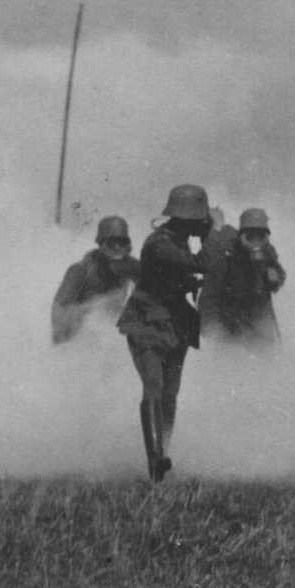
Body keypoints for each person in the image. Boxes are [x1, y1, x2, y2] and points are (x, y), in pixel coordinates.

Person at [116, 184, 213, 482]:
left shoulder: (180, 241)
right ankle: (155, 460)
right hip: (147, 323)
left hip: (175, 324)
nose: (203, 223)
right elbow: (200, 264)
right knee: (154, 387)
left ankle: (163, 455)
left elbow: (179, 277)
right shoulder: (160, 243)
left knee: (170, 394)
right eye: (200, 219)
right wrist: (214, 235)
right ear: (188, 218)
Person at [200, 207, 287, 349]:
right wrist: (213, 331)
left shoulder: (268, 252)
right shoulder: (226, 255)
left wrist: (276, 278)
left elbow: (278, 272)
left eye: (260, 235)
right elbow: (209, 297)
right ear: (241, 234)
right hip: (232, 324)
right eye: (250, 235)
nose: (255, 240)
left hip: (260, 322)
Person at [52, 216, 138, 344]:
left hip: (113, 340)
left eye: (122, 243)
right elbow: (59, 318)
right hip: (79, 342)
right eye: (111, 243)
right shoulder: (80, 271)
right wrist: (98, 307)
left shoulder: (131, 267)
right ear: (101, 245)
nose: (117, 248)